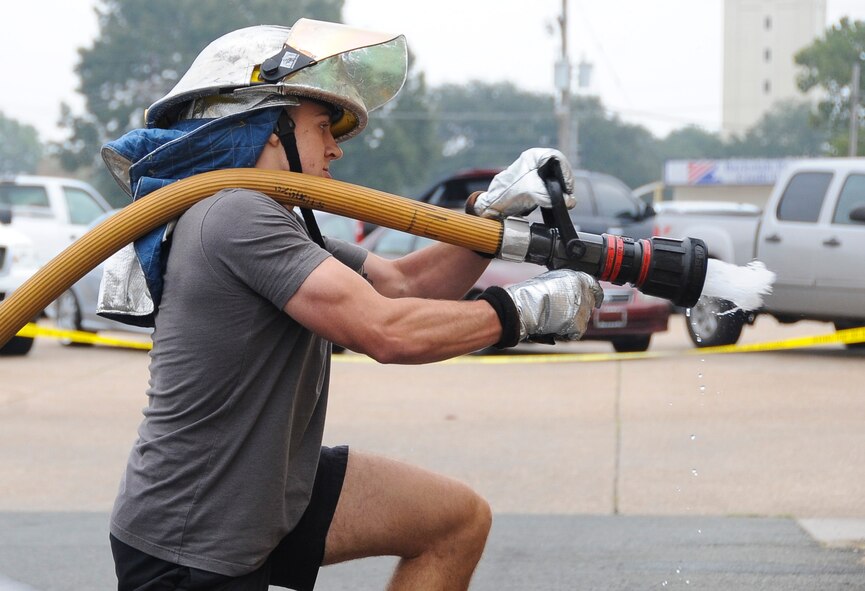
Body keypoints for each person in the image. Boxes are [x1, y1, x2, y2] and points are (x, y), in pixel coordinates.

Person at [99, 18, 603, 591]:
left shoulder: (275, 222)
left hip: (267, 489)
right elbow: (387, 331)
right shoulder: (234, 215)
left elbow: (403, 287)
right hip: (195, 535)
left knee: (455, 523)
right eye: (322, 127)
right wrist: (527, 310)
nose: (336, 148)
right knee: (455, 522)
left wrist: (491, 215)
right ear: (268, 127)